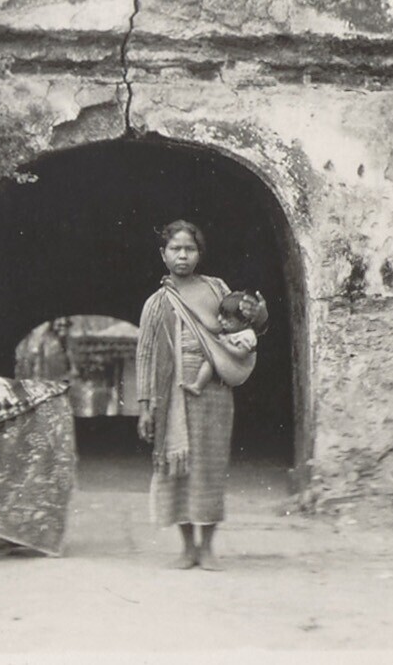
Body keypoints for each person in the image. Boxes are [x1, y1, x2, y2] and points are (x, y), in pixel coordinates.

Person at [135, 220, 266, 570]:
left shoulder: (216, 288)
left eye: (189, 249)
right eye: (175, 249)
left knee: (209, 469)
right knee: (178, 472)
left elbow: (245, 322)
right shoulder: (156, 304)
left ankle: (207, 547)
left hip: (213, 392)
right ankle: (187, 548)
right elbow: (145, 355)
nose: (182, 255)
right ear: (163, 255)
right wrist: (145, 406)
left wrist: (258, 312)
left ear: (199, 254)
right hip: (172, 394)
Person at [180, 292, 259, 396]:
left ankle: (198, 386)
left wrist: (226, 344)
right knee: (210, 358)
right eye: (220, 315)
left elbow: (242, 354)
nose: (220, 320)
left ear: (244, 323)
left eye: (229, 321)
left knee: (210, 360)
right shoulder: (236, 329)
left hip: (238, 368)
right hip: (230, 357)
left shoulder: (247, 336)